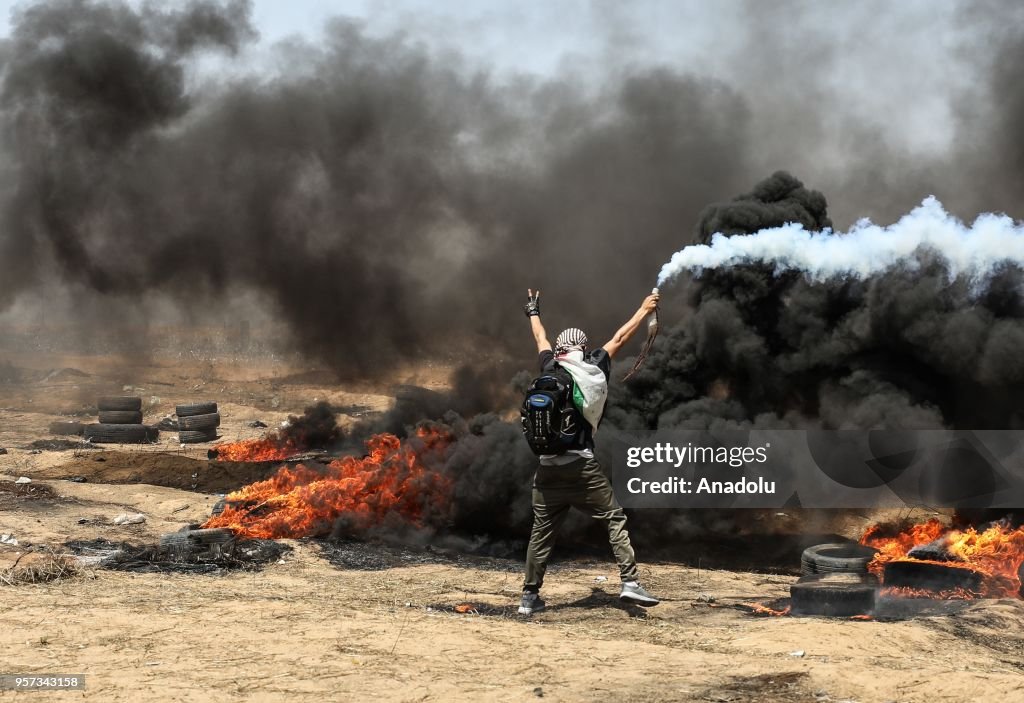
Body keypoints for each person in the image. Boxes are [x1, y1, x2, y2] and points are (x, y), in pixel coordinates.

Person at [518, 287, 661, 615]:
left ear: (560, 348)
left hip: (547, 468)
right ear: (582, 347)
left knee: (541, 532)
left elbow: (540, 337)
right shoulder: (593, 367)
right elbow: (621, 337)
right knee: (613, 517)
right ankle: (629, 583)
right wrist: (643, 309)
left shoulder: (548, 367)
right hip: (581, 467)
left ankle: (529, 597)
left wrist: (532, 310)